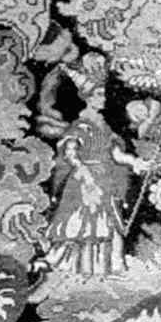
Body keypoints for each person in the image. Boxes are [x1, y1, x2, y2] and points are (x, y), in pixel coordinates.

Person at [44, 53, 151, 276]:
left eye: (103, 93)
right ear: (88, 97)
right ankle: (75, 269)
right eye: (99, 94)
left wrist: (136, 162)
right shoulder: (81, 125)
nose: (104, 98)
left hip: (105, 182)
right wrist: (85, 175)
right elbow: (71, 154)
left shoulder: (103, 126)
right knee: (83, 228)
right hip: (85, 183)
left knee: (108, 226)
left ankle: (104, 268)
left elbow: (115, 154)